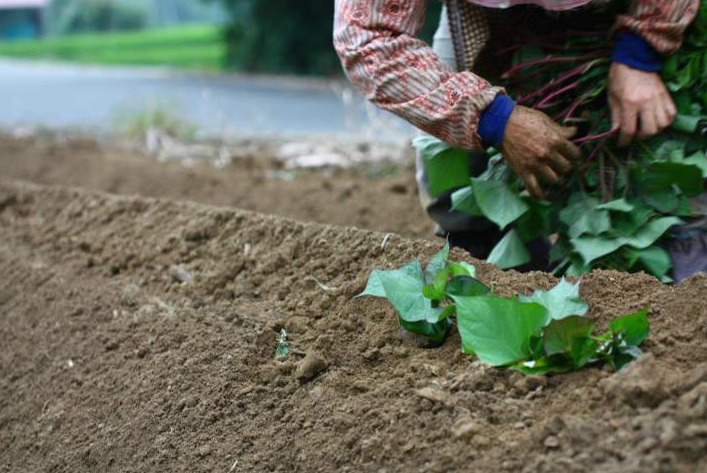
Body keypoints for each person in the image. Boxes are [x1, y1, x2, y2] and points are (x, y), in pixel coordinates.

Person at [333, 0, 700, 272]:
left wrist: (642, 50)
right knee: (453, 181)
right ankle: (492, 264)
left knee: (675, 155)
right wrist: (494, 118)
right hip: (482, 13)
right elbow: (366, 36)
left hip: (625, 7)